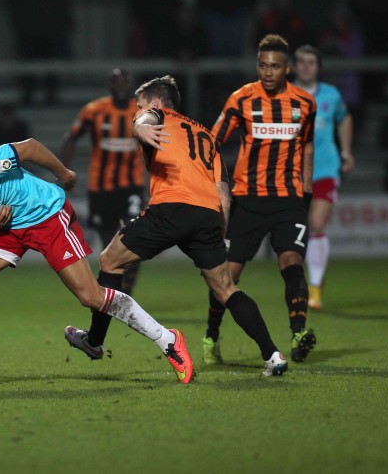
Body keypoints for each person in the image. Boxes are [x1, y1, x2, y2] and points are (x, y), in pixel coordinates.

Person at [0, 128, 194, 388]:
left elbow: (28, 147)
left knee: (90, 296)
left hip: (45, 214)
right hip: (6, 226)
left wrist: (64, 174)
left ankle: (168, 339)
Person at [64, 76, 288, 377]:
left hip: (171, 208)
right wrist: (217, 233)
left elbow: (146, 118)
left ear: (156, 103)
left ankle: (94, 341)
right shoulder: (207, 135)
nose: (137, 111)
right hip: (208, 215)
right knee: (225, 288)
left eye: (140, 104)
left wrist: (141, 125)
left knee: (109, 261)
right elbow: (223, 191)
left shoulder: (157, 116)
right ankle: (272, 354)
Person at [201, 34, 317, 365]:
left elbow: (307, 145)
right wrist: (217, 185)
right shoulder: (241, 99)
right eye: (263, 65)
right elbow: (213, 141)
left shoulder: (304, 104)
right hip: (247, 201)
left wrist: (306, 188)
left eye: (275, 67)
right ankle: (211, 335)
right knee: (228, 275)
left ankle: (298, 334)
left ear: (288, 69)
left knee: (291, 263)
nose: (268, 72)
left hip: (288, 200)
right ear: (258, 66)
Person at [59, 68, 145, 349]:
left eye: (124, 81)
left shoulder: (140, 111)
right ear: (110, 85)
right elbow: (71, 138)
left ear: (130, 84)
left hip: (130, 186)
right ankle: (114, 295)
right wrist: (64, 172)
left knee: (134, 238)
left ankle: (125, 294)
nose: (120, 85)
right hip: (101, 188)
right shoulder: (94, 111)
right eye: (115, 81)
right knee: (109, 243)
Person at [292, 44, 355, 310]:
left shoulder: (331, 94)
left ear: (318, 67)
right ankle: (298, 285)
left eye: (311, 62)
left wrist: (346, 151)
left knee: (317, 223)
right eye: (302, 62)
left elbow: (345, 118)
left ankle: (315, 288)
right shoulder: (285, 95)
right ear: (294, 66)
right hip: (292, 171)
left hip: (325, 169)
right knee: (296, 231)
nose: (306, 66)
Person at [6, 0, 73, 105]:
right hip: (36, 31)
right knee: (33, 66)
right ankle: (35, 94)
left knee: (46, 66)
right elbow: (62, 2)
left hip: (41, 31)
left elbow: (61, 2)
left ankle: (40, 94)